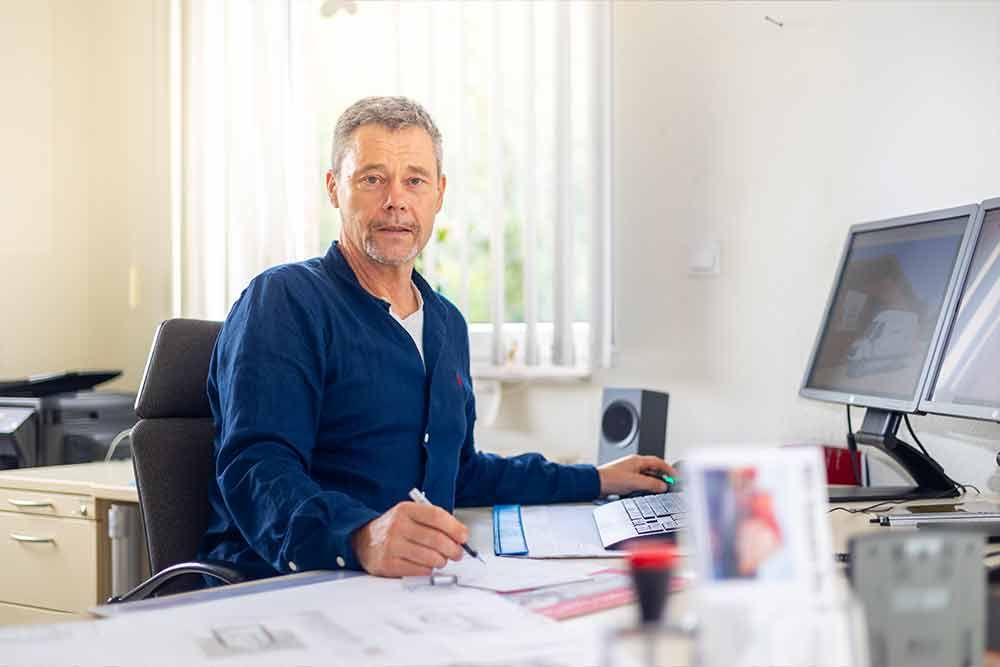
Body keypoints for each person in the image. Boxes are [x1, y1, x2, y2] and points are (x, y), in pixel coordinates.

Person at [200, 96, 676, 580]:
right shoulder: (285, 300)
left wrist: (596, 478)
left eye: (415, 181)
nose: (396, 200)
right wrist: (360, 536)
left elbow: (460, 471)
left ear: (439, 193)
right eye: (372, 179)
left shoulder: (446, 323)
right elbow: (257, 468)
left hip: (409, 588)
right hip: (290, 585)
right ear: (333, 188)